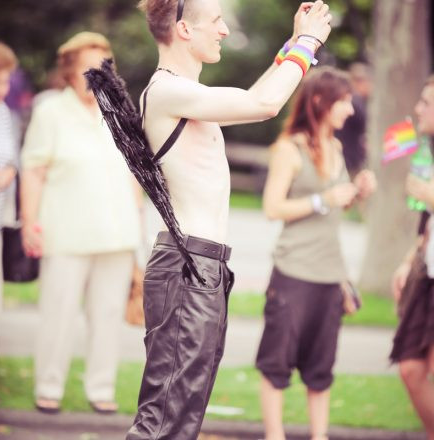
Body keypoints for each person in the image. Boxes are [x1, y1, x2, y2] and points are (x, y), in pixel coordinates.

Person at [126, 1, 332, 439]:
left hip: (202, 268)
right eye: (216, 22)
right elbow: (264, 103)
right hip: (187, 266)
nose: (222, 31)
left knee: (182, 416)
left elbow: (253, 98)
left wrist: (294, 45)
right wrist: (310, 43)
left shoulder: (186, 95)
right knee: (165, 419)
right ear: (183, 29)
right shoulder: (166, 91)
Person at [20, 32, 142, 414]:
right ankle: (49, 387)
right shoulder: (50, 111)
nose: (96, 74)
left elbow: (134, 175)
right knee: (58, 313)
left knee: (107, 316)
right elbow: (34, 171)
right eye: (88, 67)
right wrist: (28, 222)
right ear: (70, 72)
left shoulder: (120, 112)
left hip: (117, 233)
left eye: (104, 66)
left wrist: (137, 233)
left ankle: (100, 387)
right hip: (65, 230)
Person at [255, 67, 376, 440]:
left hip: (329, 276)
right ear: (321, 102)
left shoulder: (338, 149)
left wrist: (357, 192)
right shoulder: (288, 150)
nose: (351, 110)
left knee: (321, 371)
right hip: (293, 274)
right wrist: (323, 199)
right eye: (343, 102)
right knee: (277, 366)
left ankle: (318, 436)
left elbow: (332, 210)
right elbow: (272, 208)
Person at [390, 74, 434, 440]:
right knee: (410, 367)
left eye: (426, 103)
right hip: (428, 275)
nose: (418, 108)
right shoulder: (427, 152)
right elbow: (428, 225)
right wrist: (409, 260)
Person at [0, 41, 19, 359]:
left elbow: (11, 158)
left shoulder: (2, 113)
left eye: (4, 81)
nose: (1, 89)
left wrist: (9, 171)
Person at [335, 62, 372, 176]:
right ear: (361, 82)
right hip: (350, 160)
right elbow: (364, 123)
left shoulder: (350, 101)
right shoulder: (356, 101)